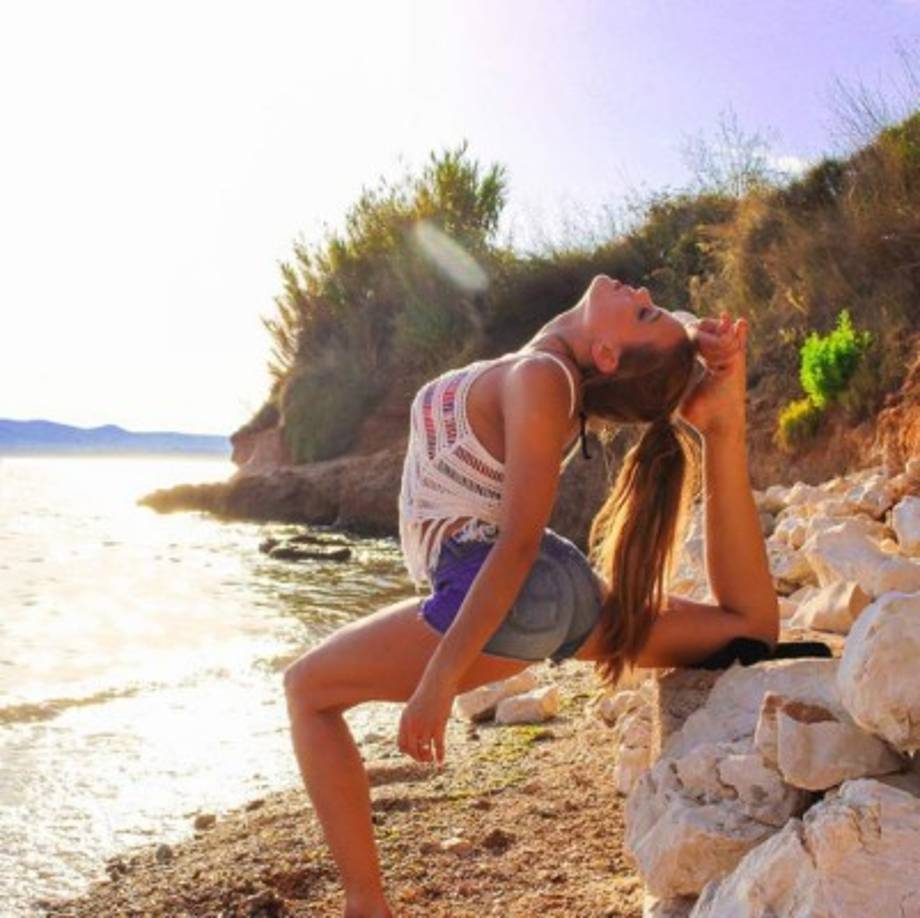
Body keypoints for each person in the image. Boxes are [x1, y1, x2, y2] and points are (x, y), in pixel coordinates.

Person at [283, 274, 779, 918]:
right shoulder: (549, 368)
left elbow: (516, 543)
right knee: (746, 626)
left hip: (507, 588)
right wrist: (702, 356)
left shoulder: (544, 377)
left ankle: (365, 905)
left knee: (307, 690)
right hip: (545, 592)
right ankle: (724, 429)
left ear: (606, 352)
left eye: (644, 310)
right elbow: (658, 353)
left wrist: (439, 680)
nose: (640, 291)